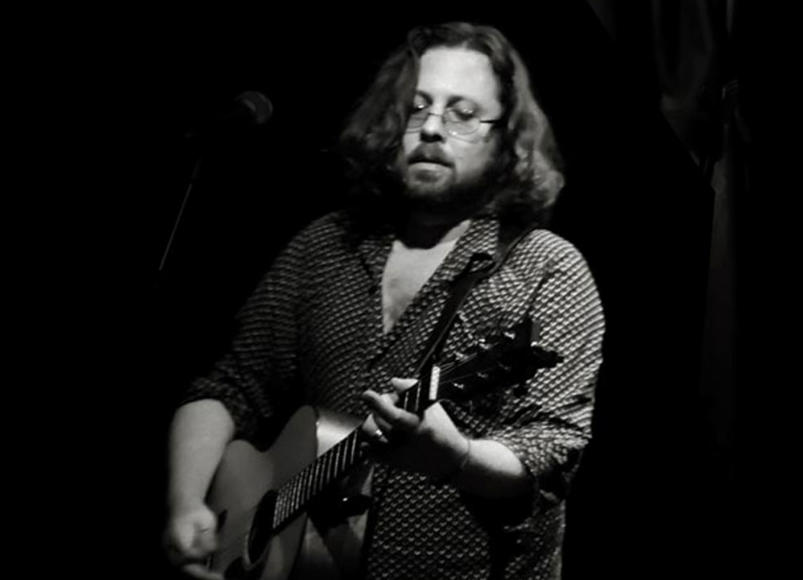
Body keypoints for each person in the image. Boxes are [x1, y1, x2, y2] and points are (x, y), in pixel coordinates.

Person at [163, 21, 605, 580]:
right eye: (417, 109)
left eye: (464, 114)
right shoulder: (325, 246)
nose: (433, 128)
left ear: (505, 140)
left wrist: (458, 458)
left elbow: (553, 444)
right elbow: (231, 385)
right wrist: (186, 502)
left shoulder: (546, 266)